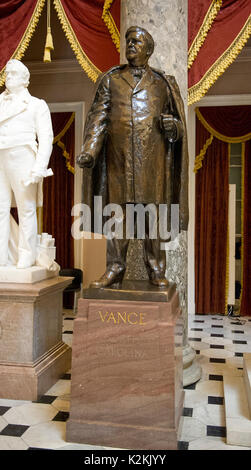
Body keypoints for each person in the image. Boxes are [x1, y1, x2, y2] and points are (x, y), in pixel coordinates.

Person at [77, 26, 188, 288]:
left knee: (152, 216)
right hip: (119, 160)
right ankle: (115, 268)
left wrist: (173, 127)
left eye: (137, 42)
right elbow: (98, 119)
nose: (131, 45)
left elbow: (179, 126)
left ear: (149, 50)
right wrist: (90, 150)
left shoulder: (163, 83)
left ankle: (156, 269)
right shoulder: (111, 80)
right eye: (128, 41)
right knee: (119, 217)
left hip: (152, 163)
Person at [0, 59, 53, 269]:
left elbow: (46, 138)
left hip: (22, 155)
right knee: (0, 208)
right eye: (7, 73)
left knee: (26, 208)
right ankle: (1, 255)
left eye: (13, 74)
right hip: (0, 156)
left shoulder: (36, 104)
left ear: (25, 80)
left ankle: (27, 254)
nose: (8, 77)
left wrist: (39, 166)